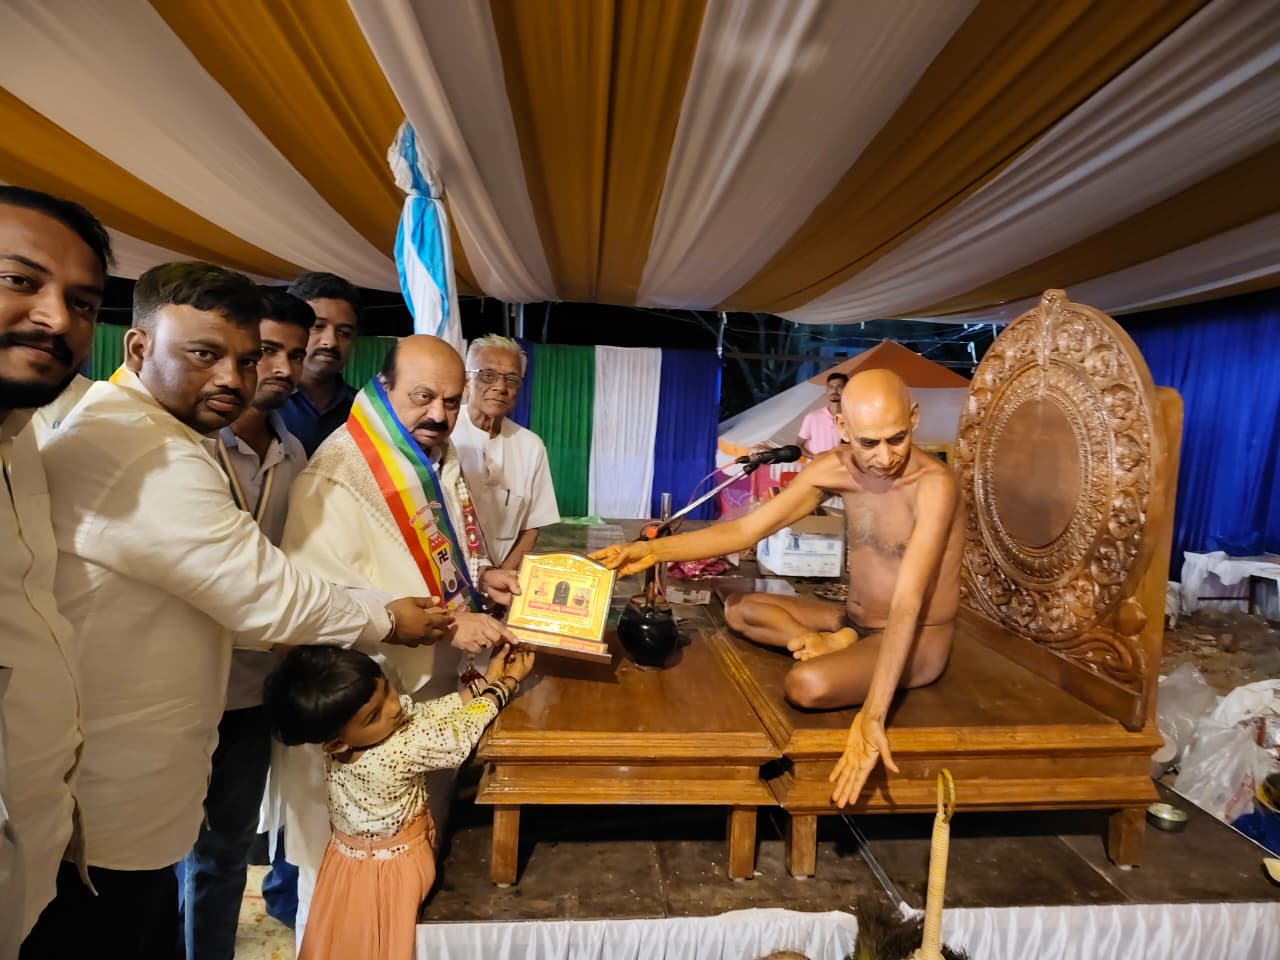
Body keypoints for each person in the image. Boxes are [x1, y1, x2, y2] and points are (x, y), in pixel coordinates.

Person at [25, 263, 451, 959]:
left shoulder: (169, 433)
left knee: (184, 884)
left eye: (246, 359)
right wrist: (388, 617)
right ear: (138, 348)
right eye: (203, 354)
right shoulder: (143, 449)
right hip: (109, 781)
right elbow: (264, 595)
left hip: (160, 749)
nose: (232, 378)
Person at [593, 369, 963, 810]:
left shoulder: (934, 485)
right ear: (843, 428)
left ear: (914, 418)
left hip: (918, 634)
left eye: (896, 438)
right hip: (854, 617)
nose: (884, 457)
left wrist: (873, 716)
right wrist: (652, 551)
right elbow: (745, 531)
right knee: (739, 608)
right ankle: (832, 641)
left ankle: (835, 648)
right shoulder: (834, 468)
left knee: (806, 685)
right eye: (869, 443)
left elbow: (907, 601)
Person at [274, 333, 522, 945]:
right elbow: (316, 600)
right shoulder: (337, 474)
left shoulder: (434, 454)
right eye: (422, 397)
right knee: (338, 891)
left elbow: (439, 549)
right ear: (383, 388)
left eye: (451, 401)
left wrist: (480, 576)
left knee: (409, 886)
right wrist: (447, 622)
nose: (439, 414)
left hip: (421, 703)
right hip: (361, 718)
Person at [177, 288, 313, 960]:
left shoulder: (296, 457)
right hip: (178, 685)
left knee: (225, 850)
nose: (282, 368)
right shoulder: (189, 447)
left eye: (296, 353)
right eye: (265, 352)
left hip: (253, 689)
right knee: (150, 849)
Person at [263, 642, 533, 959]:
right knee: (384, 944)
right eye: (374, 714)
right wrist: (506, 684)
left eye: (387, 689)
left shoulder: (351, 738)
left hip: (346, 864)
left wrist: (486, 682)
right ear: (335, 743)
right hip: (394, 871)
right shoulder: (399, 750)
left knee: (347, 942)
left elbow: (422, 713)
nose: (394, 707)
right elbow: (459, 735)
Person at [0, 186, 109, 954]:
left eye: (82, 303)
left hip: (38, 850)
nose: (55, 319)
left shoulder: (24, 436)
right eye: (20, 280)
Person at [451, 334, 559, 569]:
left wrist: (499, 578)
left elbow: (532, 526)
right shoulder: (444, 432)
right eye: (488, 375)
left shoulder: (531, 446)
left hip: (500, 579)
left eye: (511, 380)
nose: (500, 387)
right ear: (466, 380)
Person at [279, 272, 361, 456]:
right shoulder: (262, 403)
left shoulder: (364, 410)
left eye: (344, 333)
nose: (330, 342)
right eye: (317, 326)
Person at [797, 372, 849, 458]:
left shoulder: (852, 417)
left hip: (843, 466)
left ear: (847, 390)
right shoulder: (812, 417)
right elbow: (799, 445)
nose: (834, 391)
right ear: (826, 391)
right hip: (818, 465)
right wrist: (814, 457)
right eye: (831, 387)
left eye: (839, 387)